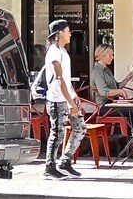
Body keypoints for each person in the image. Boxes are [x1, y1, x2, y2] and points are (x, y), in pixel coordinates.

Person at [43, 19, 86, 180]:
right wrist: (69, 101)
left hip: (66, 97)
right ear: (60, 33)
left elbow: (66, 80)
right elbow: (59, 78)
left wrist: (73, 95)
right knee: (57, 133)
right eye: (68, 31)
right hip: (56, 100)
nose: (70, 34)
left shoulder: (63, 51)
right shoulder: (53, 52)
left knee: (80, 127)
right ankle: (49, 166)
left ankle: (65, 161)